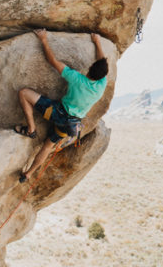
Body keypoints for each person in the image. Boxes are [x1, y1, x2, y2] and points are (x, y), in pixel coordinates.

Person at [15, 29, 108, 182]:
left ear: (90, 69)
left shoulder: (76, 78)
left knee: (24, 93)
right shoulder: (101, 85)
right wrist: (97, 42)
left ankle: (31, 129)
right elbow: (102, 63)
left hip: (56, 113)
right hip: (70, 125)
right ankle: (28, 174)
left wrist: (43, 39)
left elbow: (52, 61)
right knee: (47, 147)